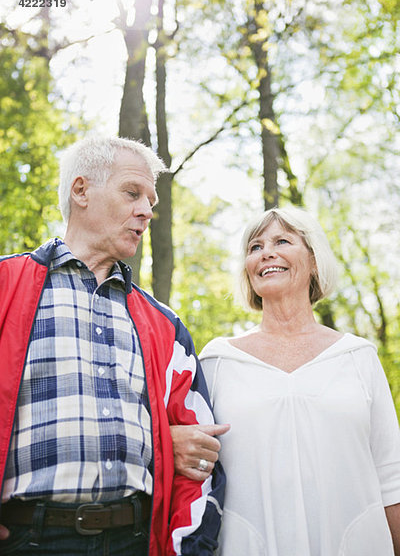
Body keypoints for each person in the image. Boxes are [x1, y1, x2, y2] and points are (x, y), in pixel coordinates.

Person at [0, 136, 227, 556]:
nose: (146, 211)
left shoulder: (165, 325)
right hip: (27, 540)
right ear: (81, 190)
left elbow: (202, 458)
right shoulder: (5, 287)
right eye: (132, 193)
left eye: (151, 201)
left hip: (137, 540)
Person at [197, 206, 400, 556]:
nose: (266, 253)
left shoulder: (357, 356)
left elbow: (391, 477)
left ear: (315, 261)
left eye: (282, 241)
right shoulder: (217, 361)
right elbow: (193, 471)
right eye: (255, 247)